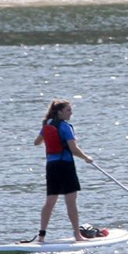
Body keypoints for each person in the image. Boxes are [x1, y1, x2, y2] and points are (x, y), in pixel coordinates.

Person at [33, 99, 94, 242]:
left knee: (50, 202)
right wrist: (86, 158)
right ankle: (78, 236)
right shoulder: (66, 127)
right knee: (71, 202)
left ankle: (41, 236)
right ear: (60, 111)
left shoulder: (47, 124)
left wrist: (49, 137)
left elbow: (36, 142)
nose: (71, 113)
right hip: (65, 166)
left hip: (52, 166)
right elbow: (73, 149)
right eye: (68, 110)